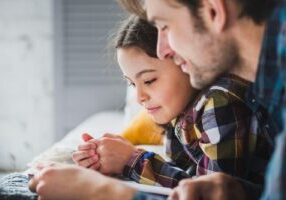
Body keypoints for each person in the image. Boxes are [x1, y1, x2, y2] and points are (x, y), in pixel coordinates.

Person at [29, 0, 286, 199]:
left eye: (164, 26)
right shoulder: (267, 91)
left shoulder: (222, 101)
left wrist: (105, 190)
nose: (165, 50)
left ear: (212, 11)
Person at [72, 15, 272, 189]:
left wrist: (131, 160)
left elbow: (209, 192)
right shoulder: (178, 114)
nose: (139, 97)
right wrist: (114, 160)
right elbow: (185, 175)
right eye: (132, 84)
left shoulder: (219, 103)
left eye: (149, 80)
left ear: (183, 60)